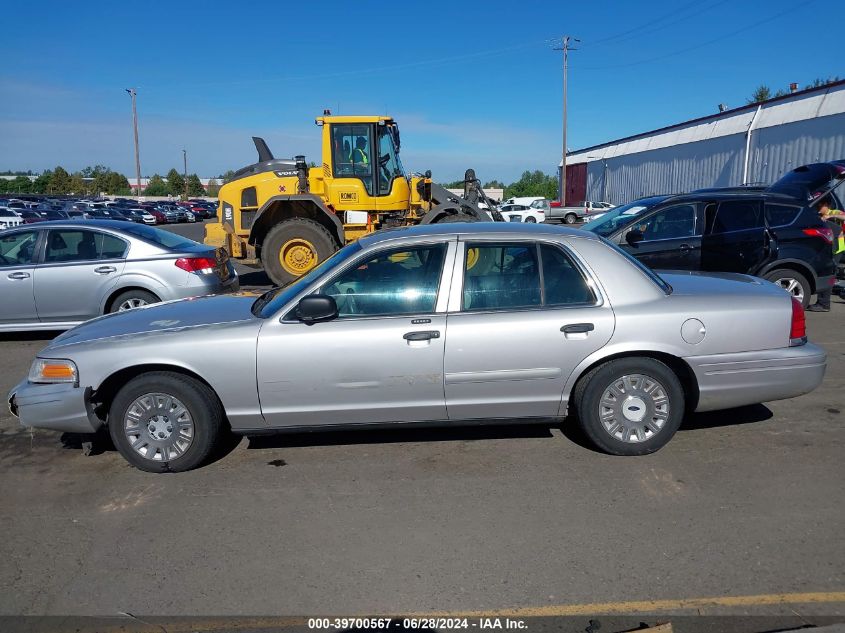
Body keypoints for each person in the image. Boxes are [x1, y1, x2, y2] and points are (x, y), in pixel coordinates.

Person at [807, 196, 844, 312]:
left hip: (837, 248)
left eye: (819, 205)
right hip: (826, 248)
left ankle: (824, 304)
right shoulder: (818, 216)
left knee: (828, 272)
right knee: (824, 271)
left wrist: (830, 216)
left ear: (826, 205)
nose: (817, 207)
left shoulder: (834, 212)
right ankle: (822, 302)